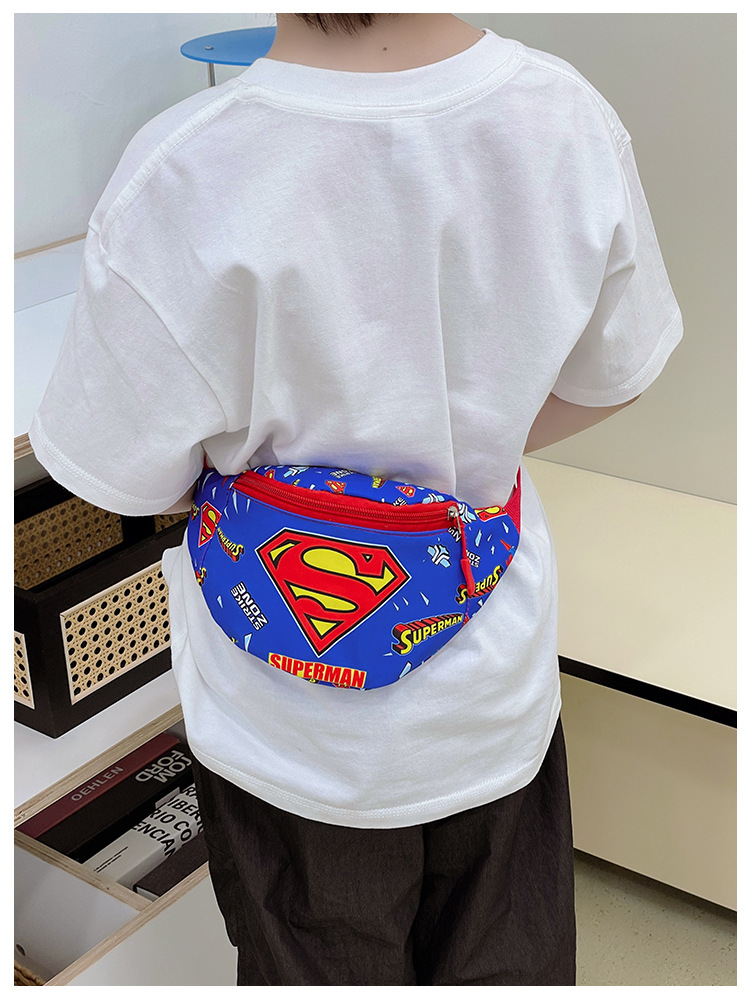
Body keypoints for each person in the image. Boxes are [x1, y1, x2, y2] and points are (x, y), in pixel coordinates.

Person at [29, 13, 683, 986]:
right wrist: (473, 451)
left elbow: (117, 468)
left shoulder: (181, 168)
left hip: (285, 724)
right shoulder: (566, 120)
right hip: (488, 691)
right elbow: (616, 374)